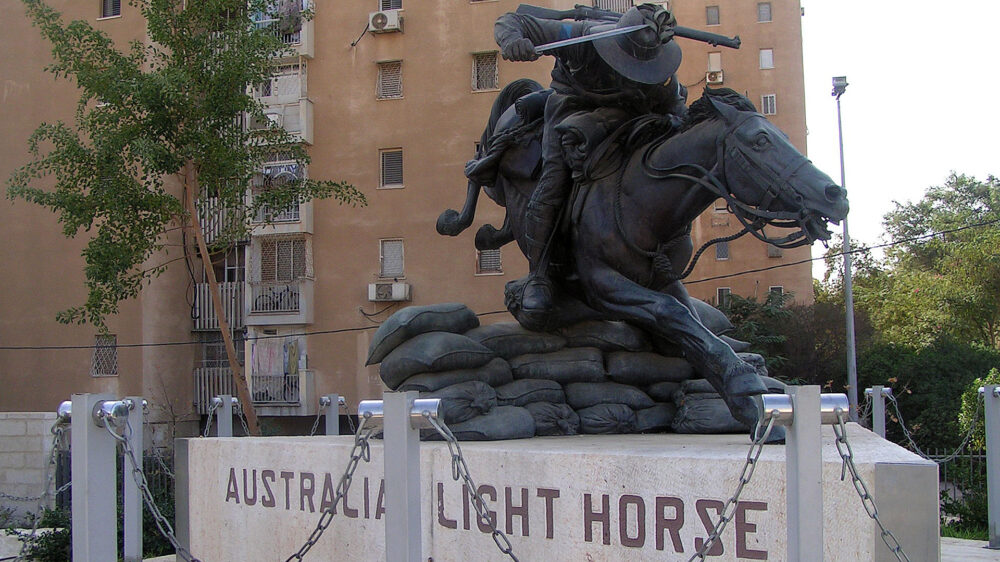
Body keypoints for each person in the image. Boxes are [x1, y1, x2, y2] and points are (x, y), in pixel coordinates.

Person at [495, 4, 688, 322]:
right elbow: (513, 19)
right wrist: (512, 40)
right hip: (572, 106)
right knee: (554, 180)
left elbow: (677, 112)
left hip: (628, 117)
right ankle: (540, 274)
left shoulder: (661, 72)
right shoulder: (579, 37)